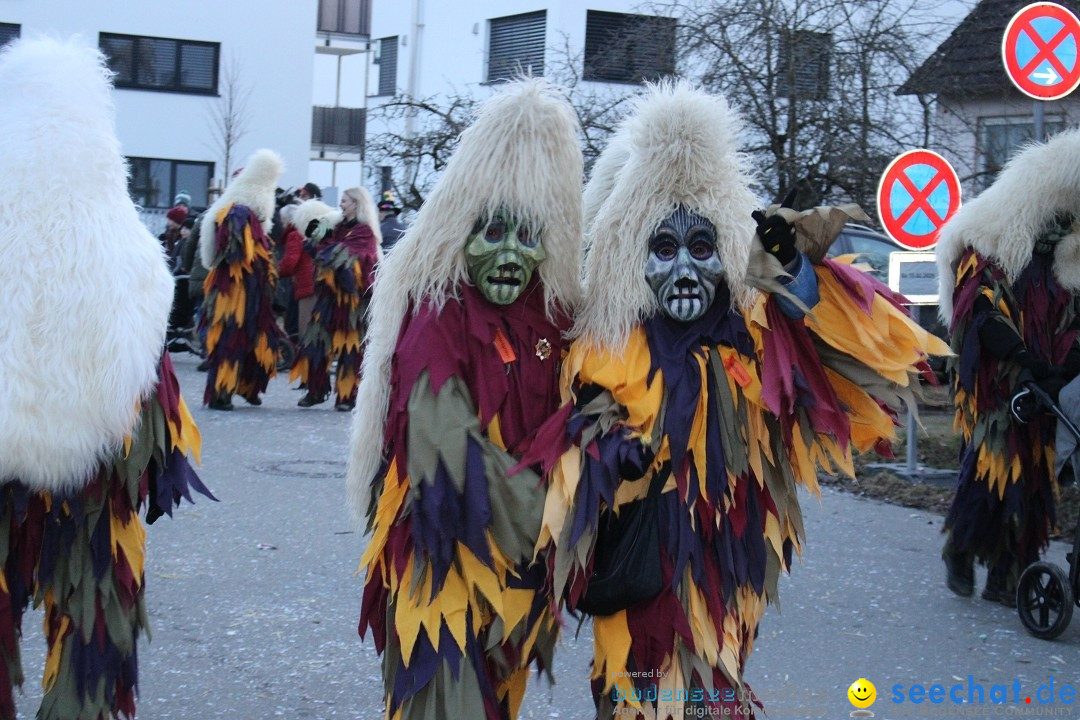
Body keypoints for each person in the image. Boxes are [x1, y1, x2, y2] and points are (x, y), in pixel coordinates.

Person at [525, 82, 948, 719]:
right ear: (629, 261)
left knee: (711, 684)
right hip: (644, 561)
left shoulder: (751, 336)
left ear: (726, 252)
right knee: (639, 692)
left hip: (730, 563)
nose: (686, 273)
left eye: (703, 249)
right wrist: (613, 454)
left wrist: (793, 270)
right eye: (662, 251)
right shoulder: (608, 347)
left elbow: (830, 350)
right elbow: (572, 441)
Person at [348, 78, 583, 720]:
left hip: (518, 574)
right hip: (440, 558)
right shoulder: (437, 313)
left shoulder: (556, 317)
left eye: (526, 236)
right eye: (493, 232)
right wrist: (546, 516)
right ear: (461, 231)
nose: (510, 254)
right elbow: (439, 441)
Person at [0, 36, 212, 720]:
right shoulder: (120, 234)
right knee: (91, 610)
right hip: (92, 463)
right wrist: (156, 458)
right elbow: (149, 355)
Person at [937, 128, 1080, 606]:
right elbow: (980, 312)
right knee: (992, 462)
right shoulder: (991, 240)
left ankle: (1009, 570)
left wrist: (1063, 369)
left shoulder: (1069, 257)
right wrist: (1023, 361)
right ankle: (960, 547)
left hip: (1049, 385)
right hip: (997, 381)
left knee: (1038, 473)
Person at [198, 148, 286, 410]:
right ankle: (221, 391)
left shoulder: (250, 214)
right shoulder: (237, 214)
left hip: (255, 287)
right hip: (234, 288)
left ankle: (248, 385)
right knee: (231, 335)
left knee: (256, 335)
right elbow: (233, 253)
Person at [290, 190, 381, 411]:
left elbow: (347, 255)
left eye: (345, 201)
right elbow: (314, 239)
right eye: (341, 201)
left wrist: (325, 248)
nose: (340, 205)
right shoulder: (337, 225)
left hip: (353, 300)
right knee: (316, 342)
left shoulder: (365, 232)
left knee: (350, 348)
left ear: (356, 205)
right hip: (329, 296)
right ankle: (315, 391)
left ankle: (347, 396)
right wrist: (318, 231)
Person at [277, 202, 316, 341]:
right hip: (312, 282)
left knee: (303, 327)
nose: (281, 223)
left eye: (283, 219)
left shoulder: (293, 234)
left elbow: (290, 262)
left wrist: (273, 270)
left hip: (304, 284)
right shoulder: (306, 230)